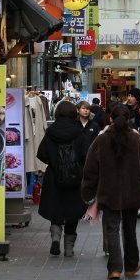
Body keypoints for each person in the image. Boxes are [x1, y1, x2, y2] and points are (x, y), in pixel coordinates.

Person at [81, 104, 140, 280]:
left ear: (110, 118)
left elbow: (90, 168)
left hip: (108, 190)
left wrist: (87, 192)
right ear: (129, 120)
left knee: (111, 228)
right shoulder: (136, 139)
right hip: (132, 191)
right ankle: (131, 265)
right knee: (129, 229)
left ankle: (114, 268)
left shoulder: (101, 139)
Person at [37, 100, 94, 258]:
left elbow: (42, 153)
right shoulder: (79, 131)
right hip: (75, 177)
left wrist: (54, 162)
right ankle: (69, 248)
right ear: (73, 113)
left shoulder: (51, 131)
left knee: (56, 206)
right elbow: (87, 153)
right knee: (73, 210)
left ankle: (55, 236)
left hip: (54, 176)